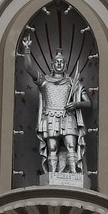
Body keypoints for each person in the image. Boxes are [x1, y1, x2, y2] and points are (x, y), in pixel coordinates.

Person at [21, 35, 90, 175]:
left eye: (61, 62)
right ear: (52, 65)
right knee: (52, 147)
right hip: (50, 116)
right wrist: (27, 50)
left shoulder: (73, 83)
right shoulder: (44, 81)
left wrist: (76, 104)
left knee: (71, 145)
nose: (59, 64)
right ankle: (52, 175)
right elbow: (29, 68)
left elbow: (88, 103)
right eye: (56, 62)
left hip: (68, 116)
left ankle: (73, 173)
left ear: (65, 65)